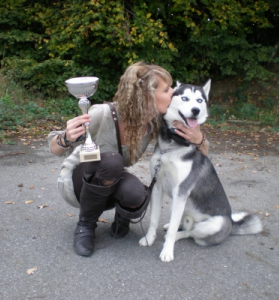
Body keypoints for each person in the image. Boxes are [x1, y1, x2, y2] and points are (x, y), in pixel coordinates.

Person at [48, 62, 209, 257]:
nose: (174, 92)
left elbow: (200, 156)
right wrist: (66, 137)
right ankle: (86, 226)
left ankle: (121, 218)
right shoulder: (103, 114)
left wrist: (199, 139)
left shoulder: (155, 121)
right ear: (148, 95)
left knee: (137, 193)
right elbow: (54, 148)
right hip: (77, 182)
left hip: (109, 179)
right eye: (167, 89)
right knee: (113, 161)